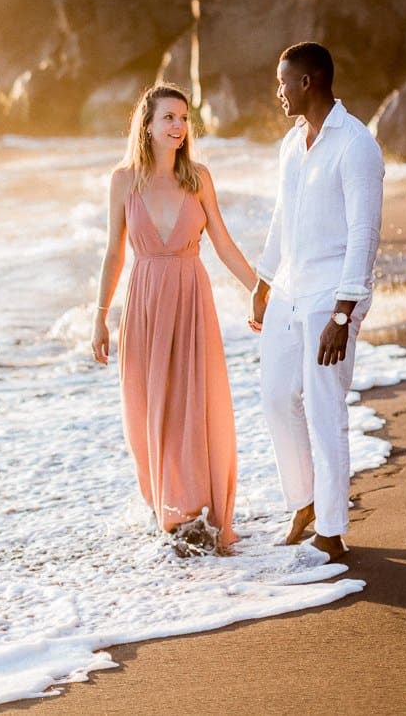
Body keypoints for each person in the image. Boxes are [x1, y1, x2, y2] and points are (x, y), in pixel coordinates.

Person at [91, 83, 256, 553]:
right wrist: (100, 317)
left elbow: (222, 244)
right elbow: (113, 253)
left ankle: (198, 513)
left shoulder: (198, 178)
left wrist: (260, 291)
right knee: (150, 409)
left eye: (183, 118)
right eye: (168, 118)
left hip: (190, 301)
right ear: (146, 125)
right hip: (142, 307)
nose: (179, 127)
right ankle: (171, 513)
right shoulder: (123, 181)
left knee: (195, 405)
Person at [248, 42, 383, 562]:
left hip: (333, 295)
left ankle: (331, 529)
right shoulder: (290, 143)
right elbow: (283, 216)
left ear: (308, 82)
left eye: (283, 82)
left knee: (325, 409)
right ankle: (303, 501)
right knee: (278, 397)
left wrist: (343, 315)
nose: (278, 91)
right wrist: (262, 283)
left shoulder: (356, 146)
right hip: (288, 289)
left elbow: (364, 234)